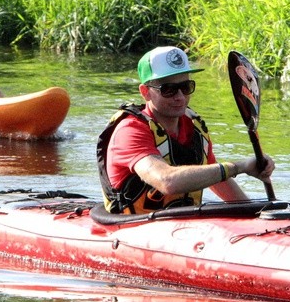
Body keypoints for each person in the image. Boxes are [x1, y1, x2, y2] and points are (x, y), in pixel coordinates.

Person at [97, 45, 275, 214]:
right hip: (132, 230)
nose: (180, 97)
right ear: (145, 92)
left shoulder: (194, 128)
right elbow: (166, 181)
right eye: (169, 90)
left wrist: (254, 212)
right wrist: (239, 167)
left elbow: (218, 179)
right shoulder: (130, 131)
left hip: (183, 229)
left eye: (185, 87)